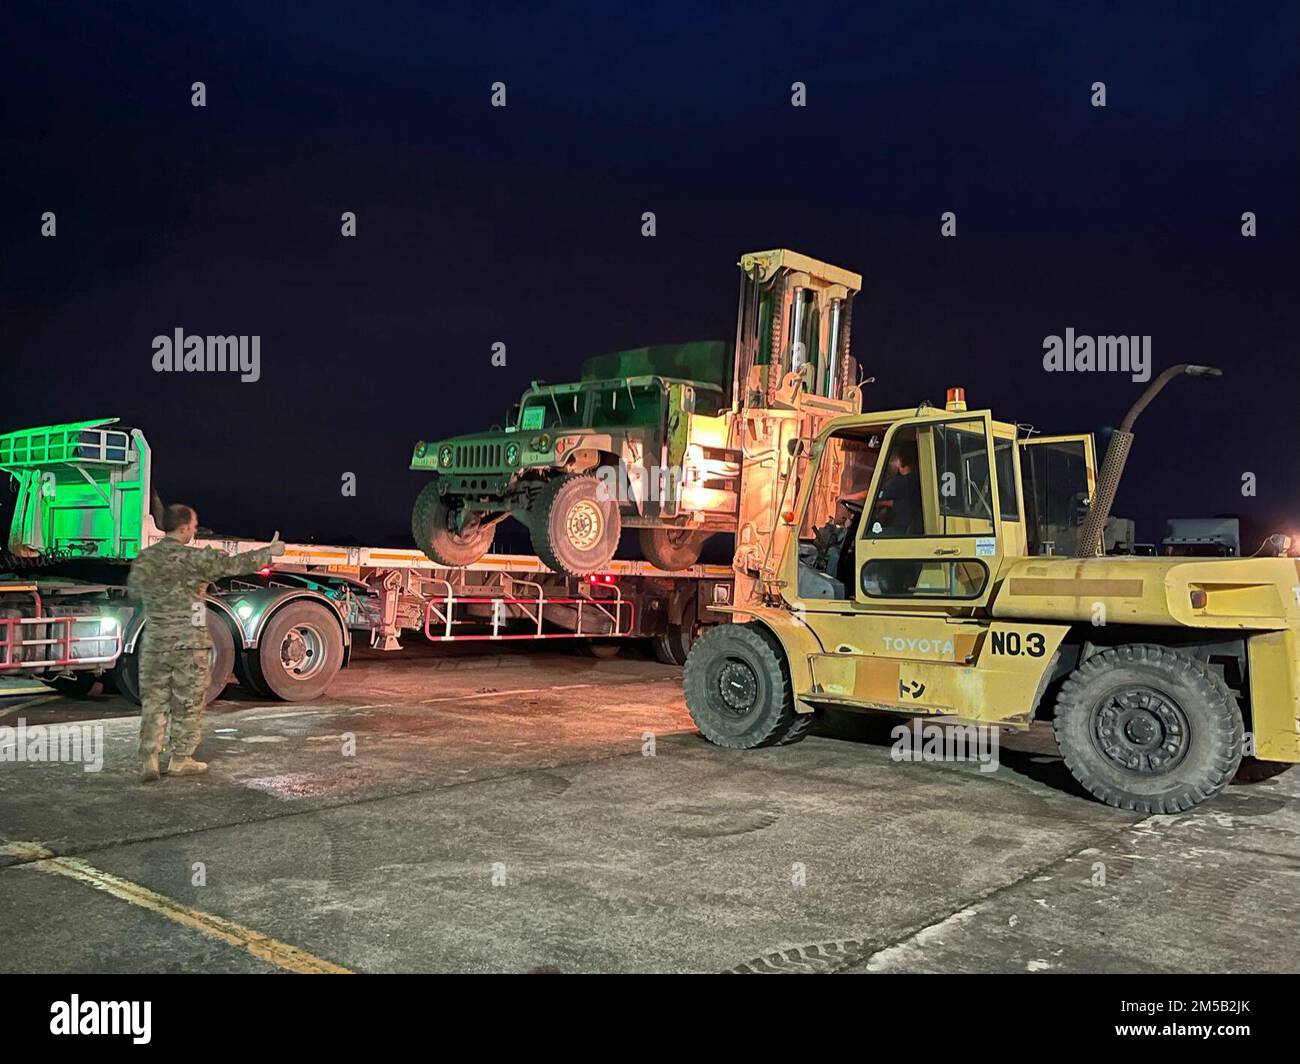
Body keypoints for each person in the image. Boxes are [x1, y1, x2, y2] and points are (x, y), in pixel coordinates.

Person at [126, 504, 285, 782]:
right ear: (184, 527)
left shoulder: (145, 558)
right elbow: (231, 565)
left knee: (154, 701)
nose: (195, 530)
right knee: (187, 701)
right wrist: (268, 553)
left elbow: (134, 591)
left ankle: (149, 759)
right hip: (188, 643)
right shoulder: (194, 559)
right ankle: (180, 759)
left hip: (155, 642)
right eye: (194, 525)